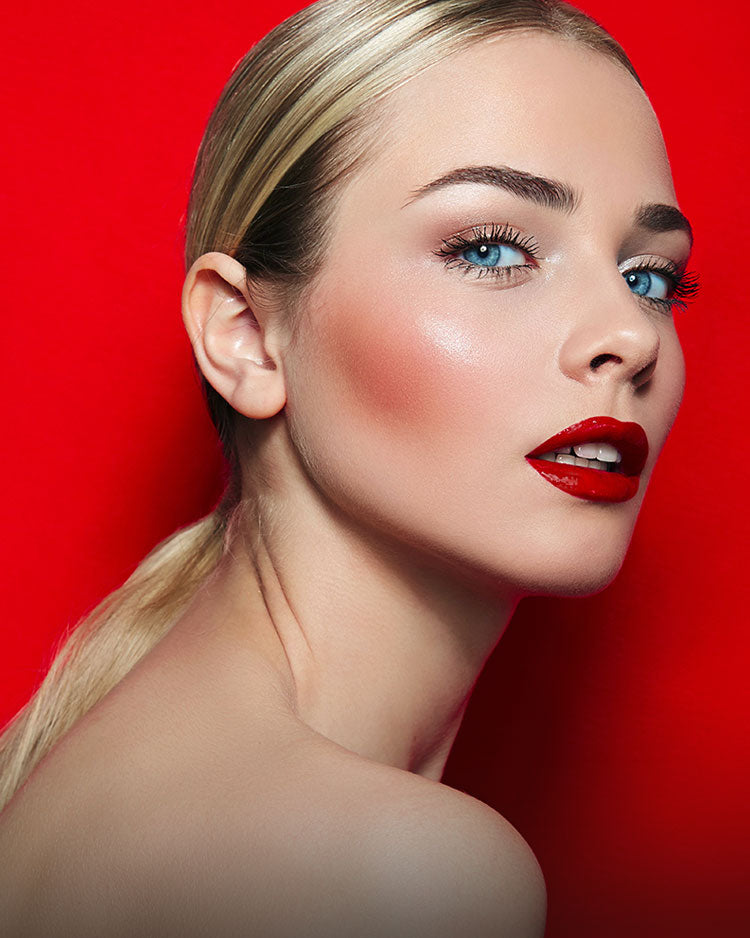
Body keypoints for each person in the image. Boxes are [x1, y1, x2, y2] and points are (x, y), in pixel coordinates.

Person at [0, 0, 698, 934]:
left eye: (650, 276)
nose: (627, 333)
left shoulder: (117, 768)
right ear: (246, 335)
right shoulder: (389, 869)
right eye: (492, 249)